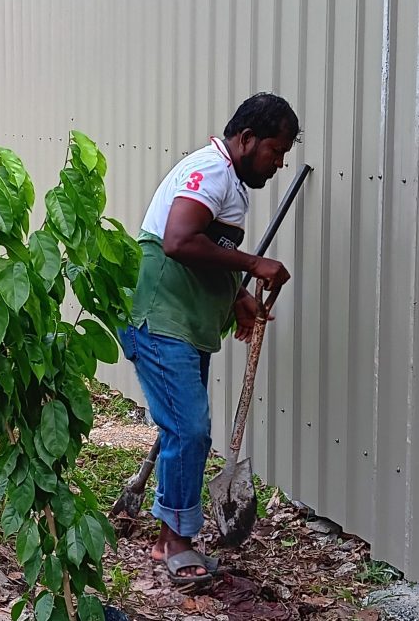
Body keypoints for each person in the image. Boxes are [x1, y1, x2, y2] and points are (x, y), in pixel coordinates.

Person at [117, 92, 300, 588]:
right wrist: (253, 264)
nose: (279, 164)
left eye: (284, 156)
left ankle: (165, 538)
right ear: (245, 139)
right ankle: (178, 542)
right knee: (190, 430)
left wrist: (237, 294)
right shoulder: (212, 172)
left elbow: (203, 249)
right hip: (161, 322)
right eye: (275, 152)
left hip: (187, 326)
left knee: (184, 430)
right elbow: (177, 239)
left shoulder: (230, 181)